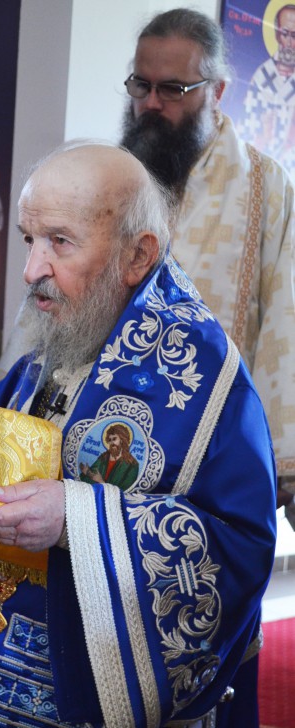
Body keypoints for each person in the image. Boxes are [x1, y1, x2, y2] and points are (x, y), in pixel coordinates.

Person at [0, 143, 277, 728]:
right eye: (30, 240)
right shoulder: (58, 344)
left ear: (138, 256)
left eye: (59, 241)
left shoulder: (206, 382)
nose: (32, 269)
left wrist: (74, 518)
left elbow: (239, 551)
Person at [119, 8, 295, 514]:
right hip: (110, 440)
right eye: (141, 85)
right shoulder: (112, 180)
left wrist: (281, 459)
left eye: (172, 89)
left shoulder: (265, 187)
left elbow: (285, 322)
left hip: (214, 452)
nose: (152, 104)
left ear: (216, 92)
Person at [240, 4, 295, 176]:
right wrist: (263, 135)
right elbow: (245, 131)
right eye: (285, 34)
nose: (290, 43)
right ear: (277, 35)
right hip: (259, 171)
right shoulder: (262, 77)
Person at [80, 422, 139, 490]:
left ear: (122, 439)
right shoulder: (104, 458)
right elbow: (88, 477)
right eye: (109, 440)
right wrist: (87, 472)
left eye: (114, 439)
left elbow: (123, 491)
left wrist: (100, 481)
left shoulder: (132, 465)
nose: (111, 443)